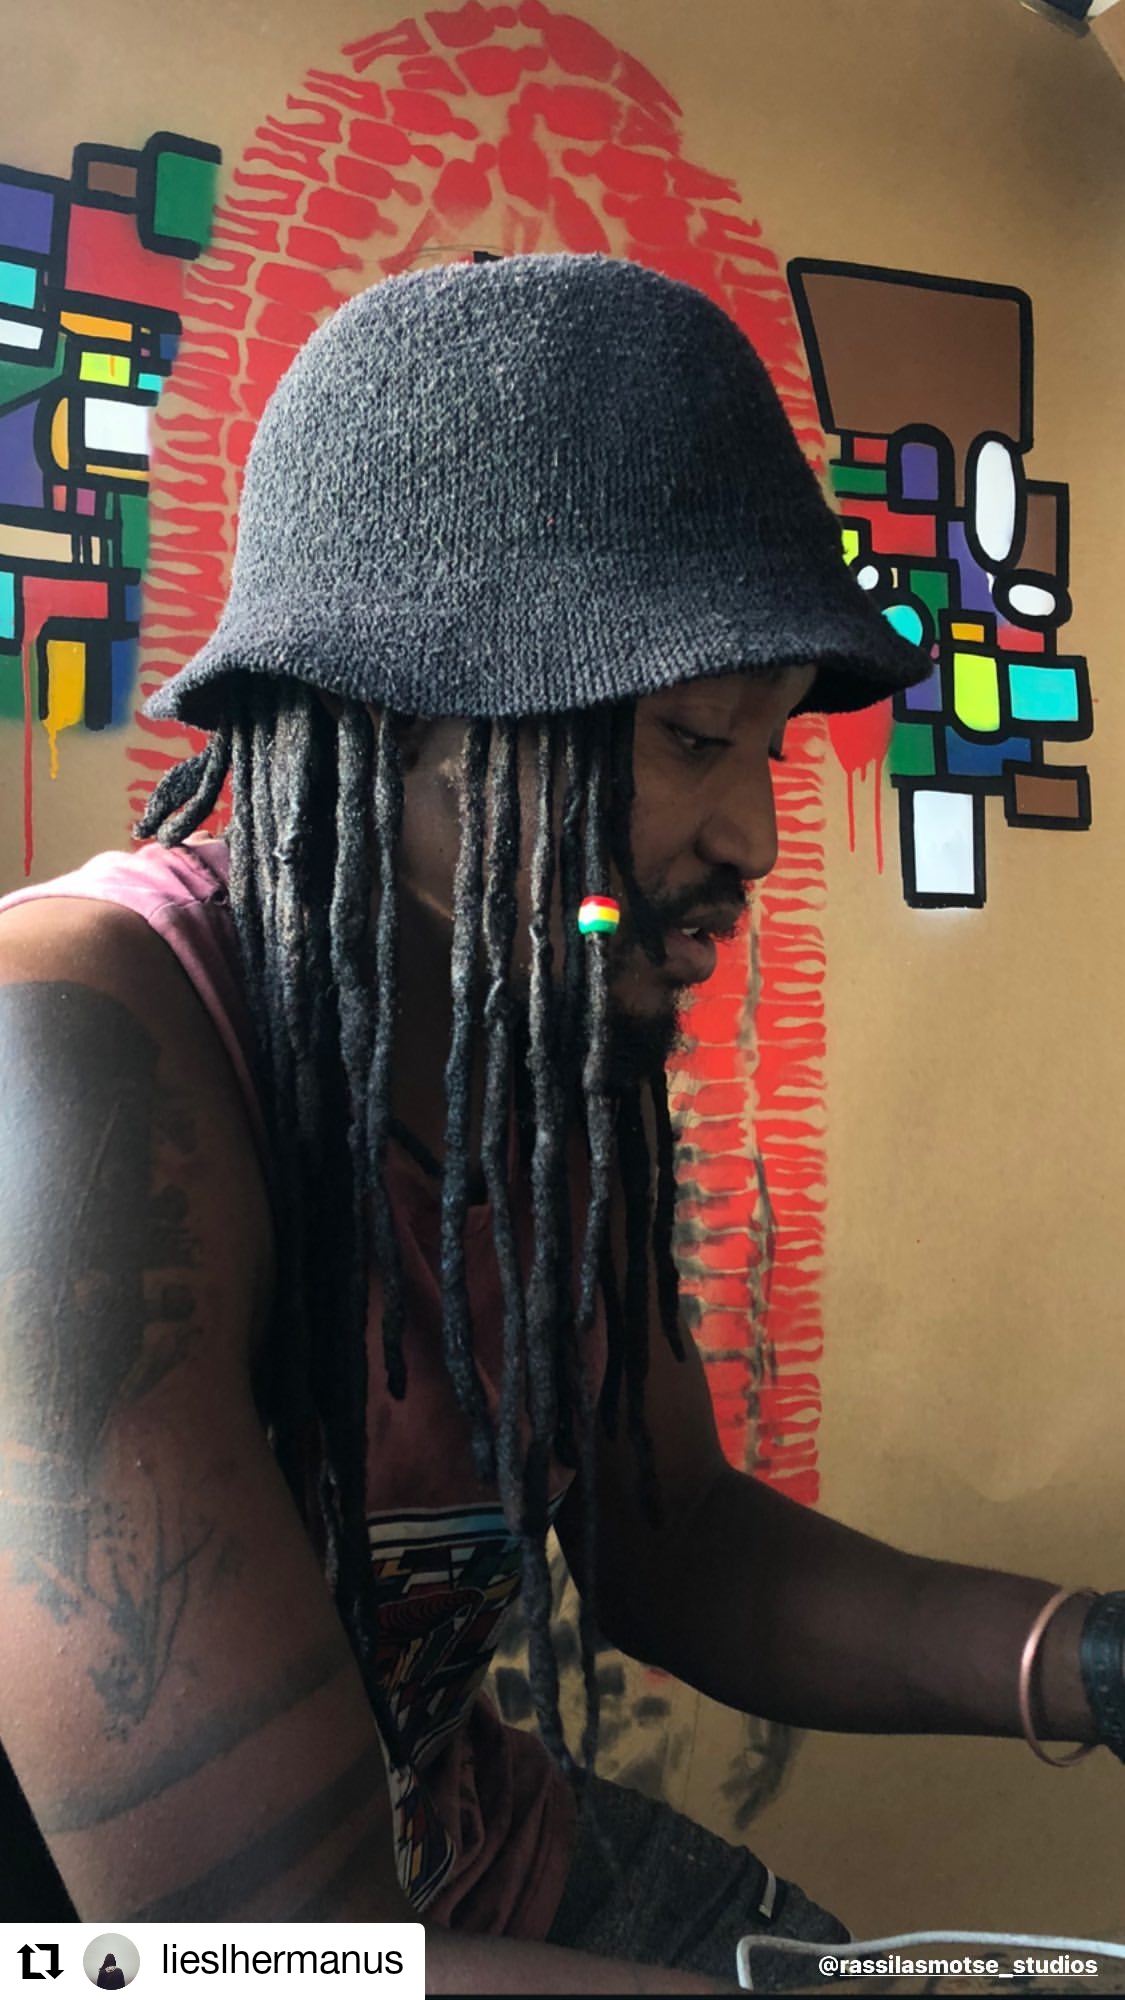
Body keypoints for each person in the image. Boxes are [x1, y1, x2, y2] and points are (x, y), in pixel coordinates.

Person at [0, 255, 1120, 1995]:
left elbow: (675, 1544)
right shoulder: (66, 1050)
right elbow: (254, 1959)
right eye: (691, 736)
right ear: (400, 710)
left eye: (764, 748)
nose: (752, 834)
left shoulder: (546, 1040)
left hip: (460, 1861)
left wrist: (1091, 1661)